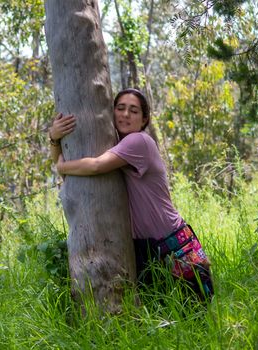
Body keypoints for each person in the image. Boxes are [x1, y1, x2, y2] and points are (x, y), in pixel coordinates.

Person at [48, 88, 213, 301]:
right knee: (159, 320)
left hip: (173, 245)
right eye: (120, 108)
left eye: (134, 111)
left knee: (193, 318)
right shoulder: (115, 146)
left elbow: (95, 166)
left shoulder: (139, 142)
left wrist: (61, 166)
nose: (125, 114)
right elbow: (74, 171)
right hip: (145, 249)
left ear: (144, 119)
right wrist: (54, 139)